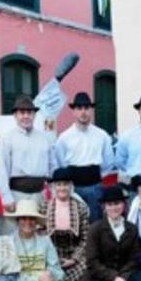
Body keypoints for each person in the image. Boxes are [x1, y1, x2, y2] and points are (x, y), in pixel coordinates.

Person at [7, 200, 83, 281]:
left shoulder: (45, 241)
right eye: (23, 218)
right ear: (17, 221)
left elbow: (59, 273)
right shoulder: (9, 242)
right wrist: (35, 280)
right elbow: (9, 278)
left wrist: (51, 274)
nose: (28, 222)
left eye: (31, 219)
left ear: (36, 221)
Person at [55, 92, 115, 220]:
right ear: (74, 111)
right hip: (73, 188)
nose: (83, 112)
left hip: (95, 187)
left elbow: (108, 162)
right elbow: (60, 163)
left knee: (96, 224)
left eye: (87, 108)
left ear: (91, 110)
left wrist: (95, 175)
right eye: (79, 108)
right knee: (74, 223)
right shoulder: (64, 138)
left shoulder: (102, 135)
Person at [0, 95, 57, 212]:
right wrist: (6, 197)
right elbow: (1, 169)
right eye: (22, 113)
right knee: (16, 229)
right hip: (17, 195)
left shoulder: (44, 139)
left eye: (29, 112)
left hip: (40, 195)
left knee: (40, 228)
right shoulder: (6, 139)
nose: (26, 116)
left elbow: (53, 166)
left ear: (34, 115)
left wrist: (54, 193)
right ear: (15, 115)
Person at [41, 167, 90, 281]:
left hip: (74, 256)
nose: (62, 188)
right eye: (59, 184)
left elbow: (86, 238)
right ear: (53, 187)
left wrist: (74, 259)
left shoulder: (81, 207)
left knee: (86, 269)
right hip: (51, 257)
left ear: (71, 186)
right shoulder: (44, 207)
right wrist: (52, 259)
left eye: (65, 184)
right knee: (45, 276)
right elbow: (40, 236)